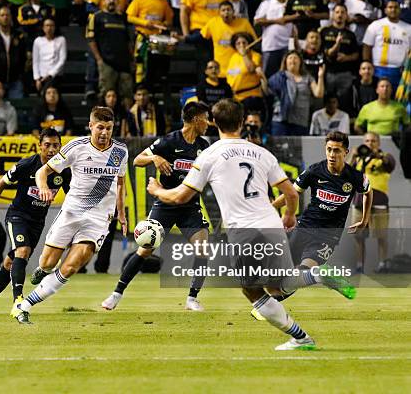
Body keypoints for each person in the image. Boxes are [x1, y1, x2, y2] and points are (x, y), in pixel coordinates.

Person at [147, 98, 354, 350]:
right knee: (277, 284)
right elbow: (291, 193)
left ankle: (302, 336)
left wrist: (157, 190)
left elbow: (180, 196)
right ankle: (314, 278)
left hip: (243, 231)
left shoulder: (210, 155)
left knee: (252, 291)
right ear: (243, 122)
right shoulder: (261, 152)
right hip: (271, 225)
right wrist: (289, 215)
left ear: (214, 123)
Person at [13, 106, 128, 324]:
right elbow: (42, 172)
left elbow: (120, 183)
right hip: (72, 212)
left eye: (109, 129)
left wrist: (120, 213)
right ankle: (43, 270)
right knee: (48, 263)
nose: (104, 133)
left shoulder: (120, 151)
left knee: (71, 266)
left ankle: (26, 305)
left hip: (99, 218)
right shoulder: (76, 146)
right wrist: (44, 187)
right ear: (91, 126)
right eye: (100, 128)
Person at [101, 101, 211, 312]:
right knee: (145, 250)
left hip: (190, 205)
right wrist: (155, 157)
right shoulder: (170, 141)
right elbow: (137, 160)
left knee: (203, 249)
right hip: (166, 203)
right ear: (196, 119)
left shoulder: (203, 146)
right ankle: (116, 294)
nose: (208, 123)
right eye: (205, 118)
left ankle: (192, 299)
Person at [0, 128, 71, 316]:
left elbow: (72, 196)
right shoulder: (26, 165)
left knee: (13, 261)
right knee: (23, 251)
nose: (51, 150)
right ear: (40, 146)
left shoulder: (64, 171)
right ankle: (18, 300)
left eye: (56, 146)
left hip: (37, 222)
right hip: (17, 216)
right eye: (47, 145)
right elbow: (1, 183)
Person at [271, 131, 372, 300]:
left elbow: (368, 192)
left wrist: (365, 219)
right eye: (329, 149)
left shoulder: (355, 177)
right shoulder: (314, 171)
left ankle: (276, 301)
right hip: (304, 228)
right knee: (289, 274)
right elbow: (291, 193)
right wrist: (270, 207)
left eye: (337, 150)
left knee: (303, 271)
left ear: (346, 152)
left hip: (329, 235)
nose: (332, 154)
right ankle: (279, 299)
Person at [350, 132, 396, 272]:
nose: (370, 143)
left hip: (379, 200)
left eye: (373, 141)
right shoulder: (358, 159)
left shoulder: (385, 156)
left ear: (379, 143)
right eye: (367, 141)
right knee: (358, 236)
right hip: (359, 201)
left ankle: (382, 264)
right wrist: (352, 155)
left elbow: (390, 165)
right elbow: (343, 172)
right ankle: (359, 266)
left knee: (381, 235)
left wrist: (378, 155)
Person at [86, 0, 134, 108]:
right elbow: (90, 39)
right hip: (107, 62)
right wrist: (99, 59)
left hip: (124, 63)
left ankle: (127, 123)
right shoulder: (96, 17)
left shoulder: (122, 18)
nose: (111, 1)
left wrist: (131, 59)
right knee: (107, 95)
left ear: (118, 1)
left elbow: (128, 41)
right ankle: (104, 123)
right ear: (103, 1)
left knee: (127, 95)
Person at [126, 0, 174, 89]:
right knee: (140, 64)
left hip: (157, 39)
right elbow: (129, 17)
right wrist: (145, 23)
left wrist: (164, 24)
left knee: (156, 66)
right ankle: (139, 87)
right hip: (142, 37)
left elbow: (169, 19)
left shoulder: (163, 1)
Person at [269, 50, 325, 136]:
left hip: (300, 120)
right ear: (285, 62)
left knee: (298, 149)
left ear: (300, 62)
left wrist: (320, 77)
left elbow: (318, 93)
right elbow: (268, 91)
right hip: (281, 120)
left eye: (295, 58)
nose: (293, 60)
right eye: (290, 58)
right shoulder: (279, 77)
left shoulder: (308, 78)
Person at [362, 0, 411, 91]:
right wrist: (368, 64)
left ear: (400, 10)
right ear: (385, 10)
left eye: (396, 7)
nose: (393, 10)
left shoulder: (408, 28)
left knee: (397, 102)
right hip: (378, 70)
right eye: (390, 7)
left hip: (400, 71)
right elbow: (367, 46)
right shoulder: (375, 25)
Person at [200, 1, 256, 77]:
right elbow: (201, 36)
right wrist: (185, 38)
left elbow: (254, 42)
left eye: (228, 9)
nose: (226, 12)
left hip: (240, 70)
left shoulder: (244, 23)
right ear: (219, 13)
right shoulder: (213, 23)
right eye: (223, 10)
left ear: (233, 11)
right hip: (220, 71)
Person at [320, 4, 359, 114]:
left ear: (346, 16)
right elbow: (326, 53)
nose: (340, 15)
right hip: (328, 73)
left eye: (342, 12)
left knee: (344, 103)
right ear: (332, 15)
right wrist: (336, 45)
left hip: (345, 74)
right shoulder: (324, 32)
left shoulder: (351, 35)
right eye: (337, 12)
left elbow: (356, 54)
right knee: (327, 101)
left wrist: (346, 58)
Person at [254, 0, 292, 78]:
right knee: (267, 77)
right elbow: (257, 21)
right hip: (270, 47)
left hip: (287, 47)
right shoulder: (266, 4)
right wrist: (276, 21)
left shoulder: (291, 3)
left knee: (286, 77)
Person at [226, 32, 266, 120]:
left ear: (249, 43)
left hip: (251, 98)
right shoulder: (233, 57)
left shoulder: (255, 55)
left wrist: (244, 54)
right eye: (238, 43)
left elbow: (251, 69)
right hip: (236, 99)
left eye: (244, 42)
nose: (241, 45)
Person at [32, 18, 66, 93]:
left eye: (51, 25)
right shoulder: (38, 40)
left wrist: (51, 74)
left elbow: (62, 60)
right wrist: (37, 79)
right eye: (47, 25)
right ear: (43, 27)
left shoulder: (61, 40)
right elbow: (35, 61)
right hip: (41, 76)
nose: (49, 28)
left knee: (51, 88)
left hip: (56, 75)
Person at [196, 60, 233, 126]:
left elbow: (229, 102)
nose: (214, 70)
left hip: (222, 115)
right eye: (211, 67)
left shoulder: (226, 86)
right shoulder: (201, 86)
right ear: (206, 71)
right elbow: (201, 103)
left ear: (219, 70)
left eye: (216, 67)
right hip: (207, 115)